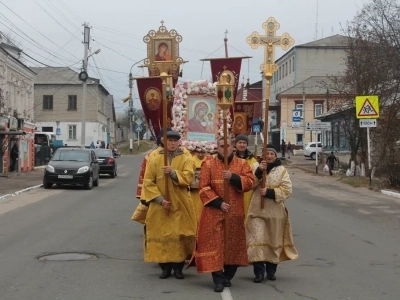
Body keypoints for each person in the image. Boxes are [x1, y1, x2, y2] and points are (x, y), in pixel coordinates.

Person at [193, 137, 255, 293]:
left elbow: (249, 182)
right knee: (215, 244)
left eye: (227, 145)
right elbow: (203, 187)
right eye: (221, 146)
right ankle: (218, 279)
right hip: (214, 212)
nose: (225, 148)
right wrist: (218, 203)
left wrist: (233, 177)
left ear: (233, 147)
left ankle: (228, 276)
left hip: (235, 213)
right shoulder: (208, 164)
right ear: (217, 147)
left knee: (233, 245)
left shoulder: (242, 164)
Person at [141, 130, 196, 280]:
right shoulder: (154, 159)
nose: (172, 143)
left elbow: (188, 177)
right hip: (160, 205)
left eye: (175, 141)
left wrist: (172, 173)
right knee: (161, 234)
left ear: (178, 142)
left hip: (179, 203)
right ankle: (164, 268)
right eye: (169, 140)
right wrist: (159, 199)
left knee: (178, 234)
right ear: (164, 141)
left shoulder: (186, 158)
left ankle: (178, 268)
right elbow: (148, 182)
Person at [245, 144, 298, 283]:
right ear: (263, 155)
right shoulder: (256, 167)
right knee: (257, 240)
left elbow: (287, 190)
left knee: (273, 241)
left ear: (275, 156)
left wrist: (269, 192)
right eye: (266, 153)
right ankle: (258, 272)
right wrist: (258, 172)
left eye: (271, 154)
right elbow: (249, 185)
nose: (269, 156)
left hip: (275, 213)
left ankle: (271, 270)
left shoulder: (282, 171)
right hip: (257, 211)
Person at [234, 134, 259, 217]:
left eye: (244, 143)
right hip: (234, 192)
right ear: (235, 144)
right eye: (240, 142)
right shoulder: (231, 158)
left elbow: (256, 178)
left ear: (247, 144)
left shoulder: (252, 160)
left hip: (248, 193)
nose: (242, 145)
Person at [190, 147, 207, 225]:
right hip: (193, 192)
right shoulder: (190, 160)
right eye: (198, 152)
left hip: (205, 192)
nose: (200, 154)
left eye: (203, 152)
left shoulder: (209, 160)